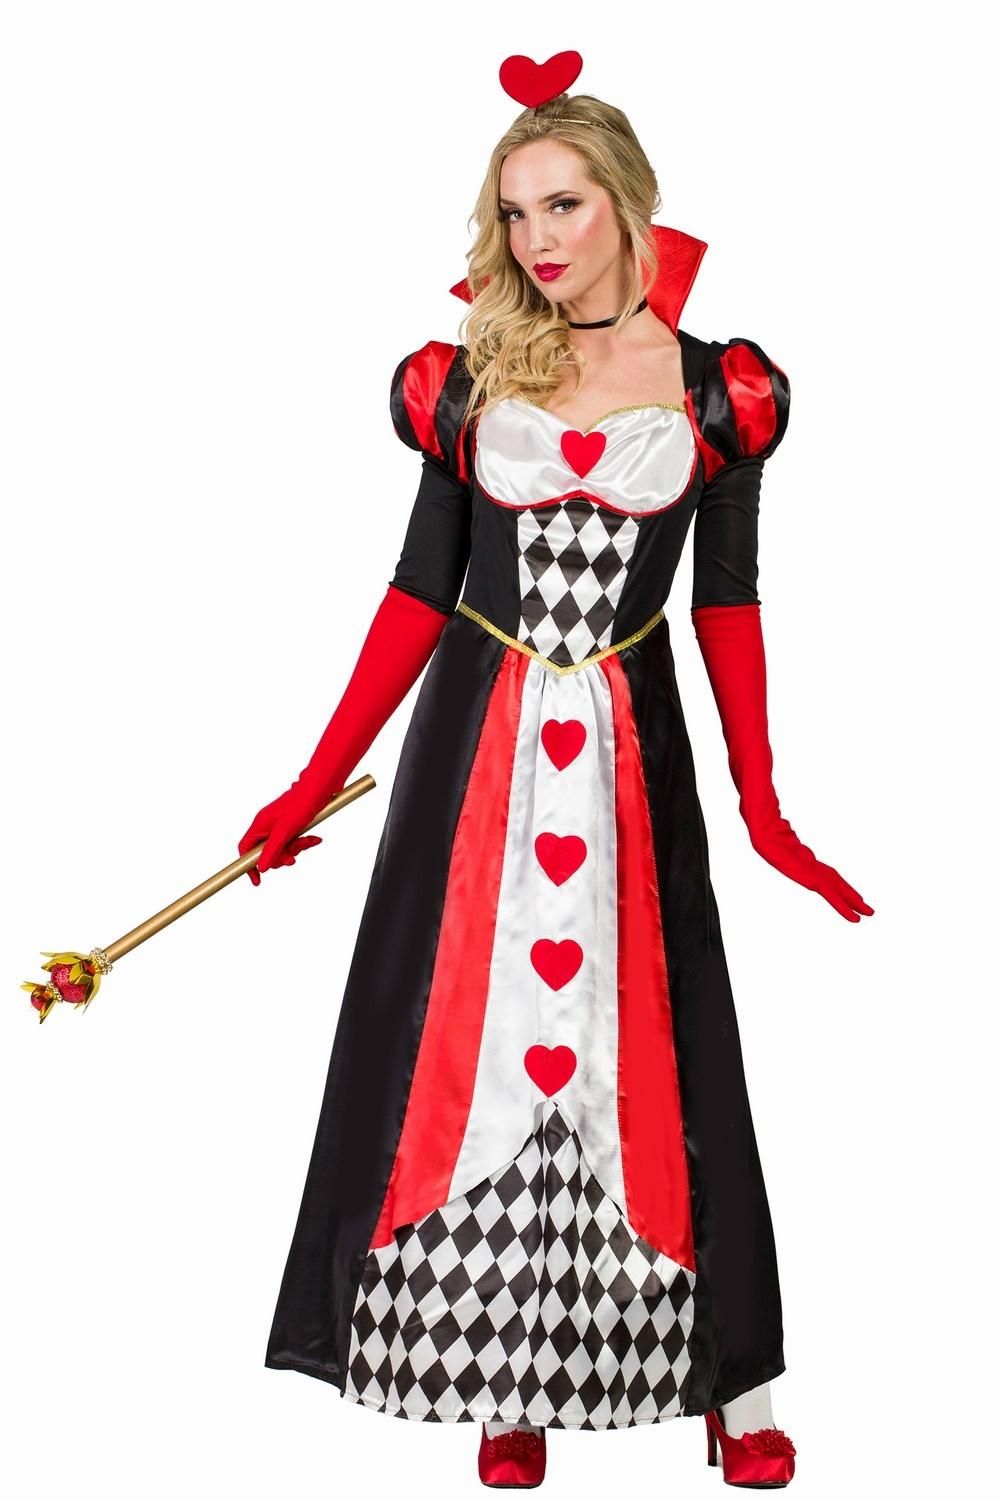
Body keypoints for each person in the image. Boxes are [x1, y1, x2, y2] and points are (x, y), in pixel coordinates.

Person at [238, 50, 873, 1491]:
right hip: (475, 758)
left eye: (565, 204)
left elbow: (727, 606)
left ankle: (730, 1383)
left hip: (635, 755)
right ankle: (500, 1369)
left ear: (628, 201)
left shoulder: (719, 390)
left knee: (661, 1041)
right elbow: (418, 592)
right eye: (515, 211)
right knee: (461, 1033)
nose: (537, 239)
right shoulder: (468, 376)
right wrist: (308, 782)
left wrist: (766, 806)